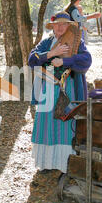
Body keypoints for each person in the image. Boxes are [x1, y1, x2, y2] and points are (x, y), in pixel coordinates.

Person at [28, 11, 92, 176]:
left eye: (64, 24)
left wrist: (65, 60)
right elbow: (31, 59)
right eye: (57, 24)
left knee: (64, 126)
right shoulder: (47, 42)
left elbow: (86, 60)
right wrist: (52, 54)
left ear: (69, 26)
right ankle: (47, 163)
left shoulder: (77, 42)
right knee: (46, 124)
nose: (60, 27)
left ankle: (65, 164)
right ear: (53, 26)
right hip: (47, 88)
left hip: (67, 88)